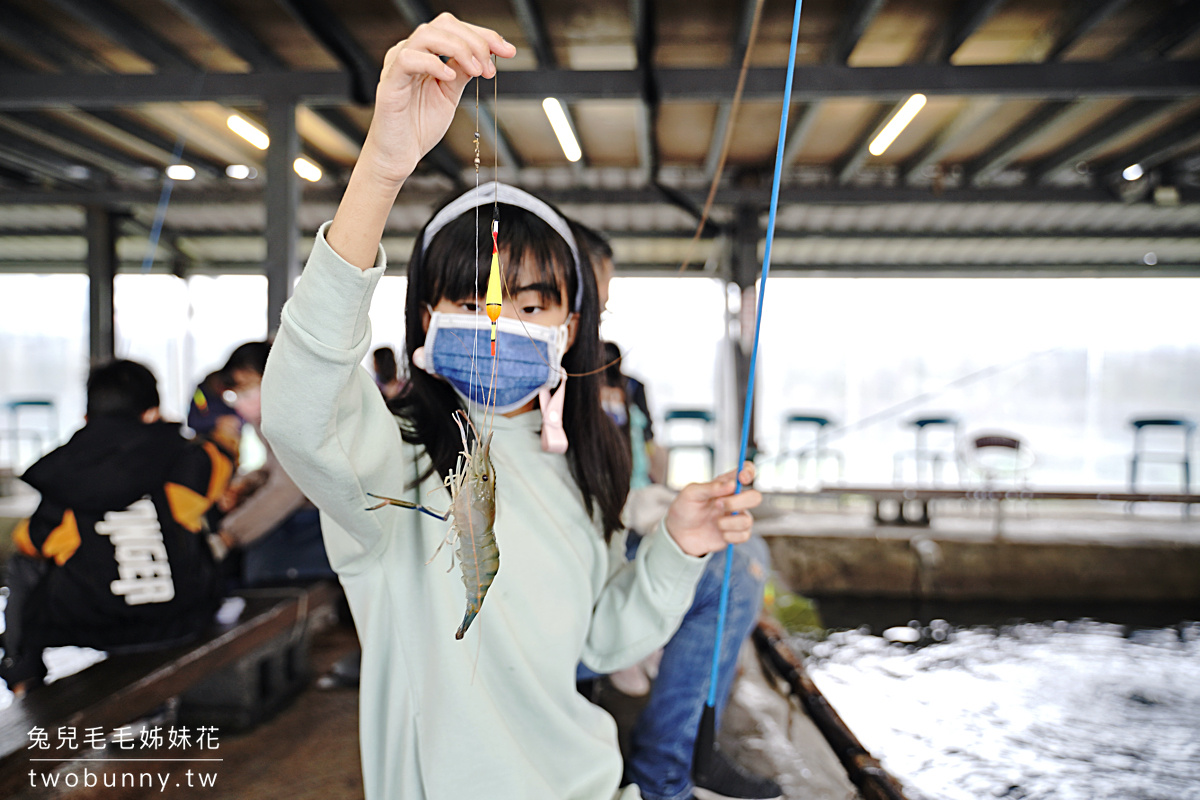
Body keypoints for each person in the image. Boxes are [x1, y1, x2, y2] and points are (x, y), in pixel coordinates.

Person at [258, 15, 761, 800]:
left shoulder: (588, 462)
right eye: (471, 300)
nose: (500, 326)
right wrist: (383, 167)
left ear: (571, 328)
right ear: (425, 318)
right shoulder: (392, 465)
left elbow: (598, 639)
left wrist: (675, 548)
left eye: (532, 308)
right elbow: (297, 406)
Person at [580, 230, 781, 800]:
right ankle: (668, 763)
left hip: (628, 525)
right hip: (598, 552)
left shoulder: (627, 387)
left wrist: (671, 497)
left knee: (749, 552)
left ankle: (693, 741)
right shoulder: (555, 385)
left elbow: (650, 460)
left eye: (602, 300)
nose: (595, 315)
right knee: (733, 571)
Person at [0, 359, 233, 694]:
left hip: (93, 624)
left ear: (86, 418)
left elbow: (32, 543)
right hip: (182, 619)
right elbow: (222, 461)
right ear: (153, 412)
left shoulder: (66, 480)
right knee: (205, 524)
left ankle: (22, 676)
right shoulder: (190, 460)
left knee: (25, 565)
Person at [210, 341, 335, 587]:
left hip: (327, 521)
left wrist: (229, 534)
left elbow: (289, 487)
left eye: (248, 388)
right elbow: (277, 467)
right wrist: (245, 484)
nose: (241, 400)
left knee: (260, 567)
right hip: (316, 515)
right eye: (236, 392)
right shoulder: (271, 418)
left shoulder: (295, 418)